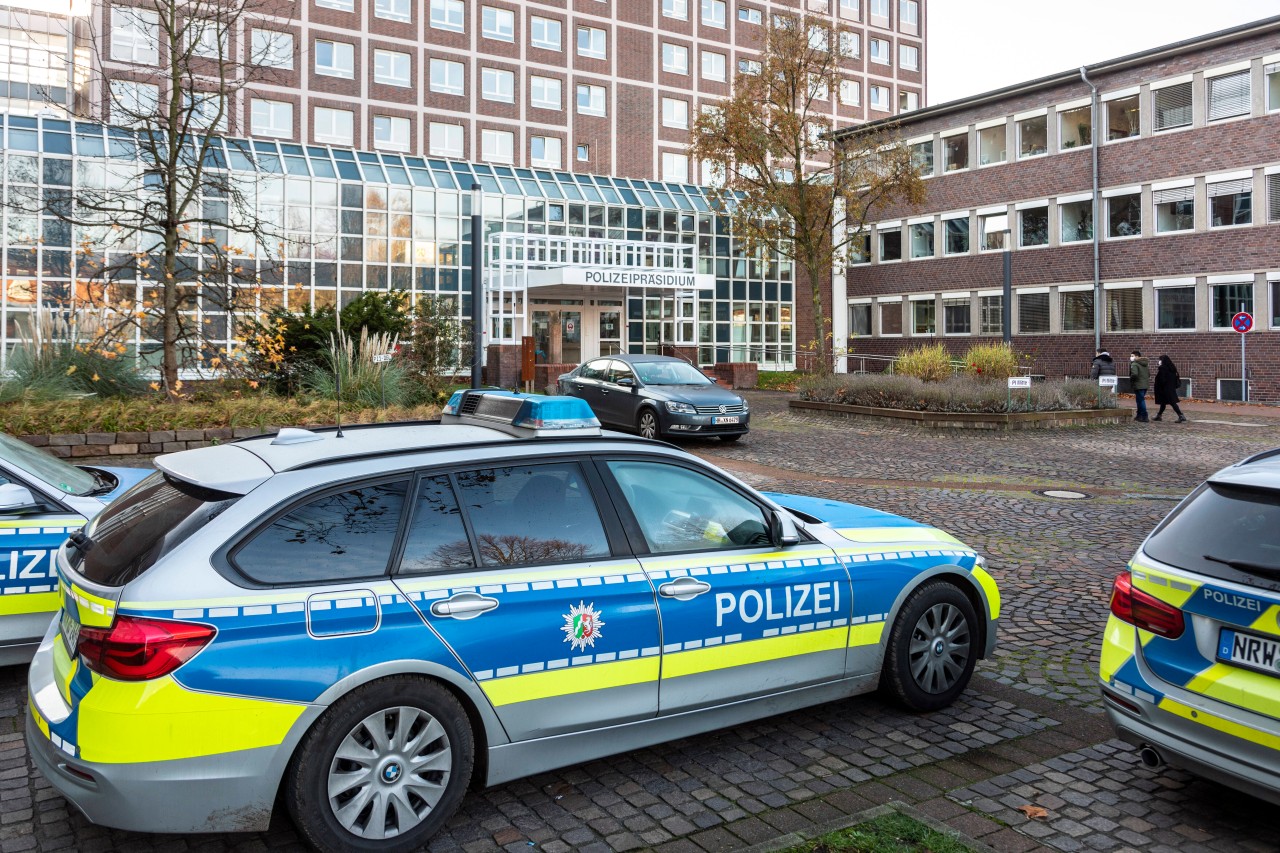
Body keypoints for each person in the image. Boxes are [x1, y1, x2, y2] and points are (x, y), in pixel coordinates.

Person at [1152, 354, 1188, 423]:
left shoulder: (1163, 368)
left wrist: (1159, 385)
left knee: (1172, 403)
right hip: (1171, 388)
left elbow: (1162, 380)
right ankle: (1159, 415)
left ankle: (1181, 415)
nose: (1159, 361)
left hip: (1165, 389)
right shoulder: (1172, 368)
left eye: (1160, 360)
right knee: (1163, 403)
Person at [1129, 350, 1150, 422]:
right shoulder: (1145, 364)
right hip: (1145, 384)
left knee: (1140, 401)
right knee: (1140, 400)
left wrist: (1131, 379)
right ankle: (1139, 415)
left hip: (1138, 384)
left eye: (1132, 356)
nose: (1131, 357)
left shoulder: (1134, 364)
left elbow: (1134, 374)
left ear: (1137, 357)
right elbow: (1148, 374)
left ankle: (1144, 415)